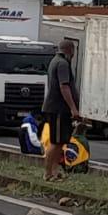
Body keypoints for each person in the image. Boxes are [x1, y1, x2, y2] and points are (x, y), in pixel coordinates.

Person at [42, 38, 80, 182]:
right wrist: (73, 109)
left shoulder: (55, 61)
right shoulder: (63, 63)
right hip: (58, 108)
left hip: (57, 108)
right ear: (71, 50)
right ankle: (48, 173)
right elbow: (64, 87)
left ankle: (55, 171)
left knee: (60, 141)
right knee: (56, 141)